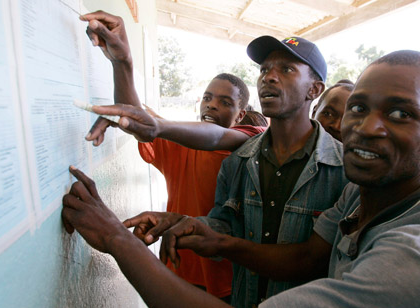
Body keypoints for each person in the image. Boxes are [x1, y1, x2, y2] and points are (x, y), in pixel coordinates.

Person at [62, 49, 420, 308]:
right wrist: (197, 228)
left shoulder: (354, 181)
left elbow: (215, 136)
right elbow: (306, 256)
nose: (367, 127)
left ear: (314, 90)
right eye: (358, 108)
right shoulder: (355, 191)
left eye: (402, 113)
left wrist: (115, 238)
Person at [126, 35, 349, 307]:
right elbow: (226, 224)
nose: (269, 77)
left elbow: (320, 260)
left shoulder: (344, 170)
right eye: (264, 70)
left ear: (314, 89)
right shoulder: (238, 162)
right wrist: (184, 222)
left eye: (286, 69)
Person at [79, 11, 266, 299]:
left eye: (225, 102)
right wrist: (122, 62)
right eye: (207, 97)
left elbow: (213, 136)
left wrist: (157, 125)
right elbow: (139, 117)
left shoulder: (249, 142)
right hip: (178, 266)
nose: (212, 105)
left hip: (229, 277)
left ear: (241, 114)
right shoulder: (180, 142)